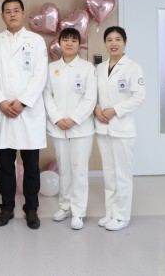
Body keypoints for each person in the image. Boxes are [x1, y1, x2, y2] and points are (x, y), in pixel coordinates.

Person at [0, 0, 48, 229]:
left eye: (16, 11)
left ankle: (31, 208)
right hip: (4, 111)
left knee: (31, 164)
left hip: (28, 112)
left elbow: (40, 75)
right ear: (2, 16)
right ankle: (7, 207)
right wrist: (1, 102)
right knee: (5, 164)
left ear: (23, 14)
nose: (12, 14)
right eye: (7, 11)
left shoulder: (36, 40)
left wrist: (22, 102)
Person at [43, 28, 97, 230]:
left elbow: (90, 98)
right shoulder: (51, 68)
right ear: (59, 43)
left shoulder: (87, 68)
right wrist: (57, 118)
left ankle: (78, 211)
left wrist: (74, 119)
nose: (69, 43)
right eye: (65, 40)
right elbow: (46, 95)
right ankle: (65, 206)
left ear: (79, 44)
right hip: (58, 128)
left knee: (79, 170)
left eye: (73, 40)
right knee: (64, 169)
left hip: (81, 129)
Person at [94, 26, 146, 231]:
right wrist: (97, 110)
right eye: (109, 40)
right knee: (109, 173)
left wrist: (115, 110)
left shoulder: (133, 67)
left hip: (122, 128)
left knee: (122, 173)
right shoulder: (99, 68)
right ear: (105, 43)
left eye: (118, 39)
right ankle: (111, 212)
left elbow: (139, 97)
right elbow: (94, 95)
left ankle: (122, 215)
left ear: (125, 42)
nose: (113, 43)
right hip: (103, 127)